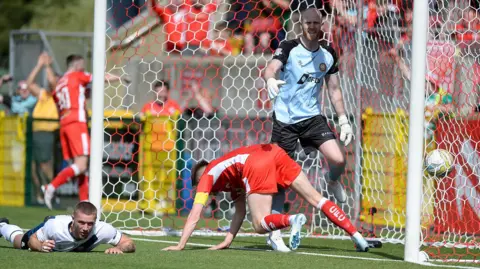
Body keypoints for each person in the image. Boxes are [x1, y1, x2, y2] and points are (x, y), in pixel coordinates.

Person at [162, 144, 369, 252]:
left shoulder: (208, 175)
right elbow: (240, 211)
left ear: (199, 182)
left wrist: (181, 245)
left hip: (256, 163)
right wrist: (227, 240)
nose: (203, 193)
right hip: (274, 153)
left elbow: (195, 215)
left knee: (260, 225)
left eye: (200, 188)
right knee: (317, 198)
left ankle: (291, 220)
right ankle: (356, 236)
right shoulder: (229, 179)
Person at [262, 8, 353, 251]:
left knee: (338, 159)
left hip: (312, 118)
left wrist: (343, 119)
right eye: (308, 22)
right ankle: (274, 232)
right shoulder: (289, 47)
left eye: (316, 22)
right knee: (280, 180)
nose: (312, 26)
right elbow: (270, 68)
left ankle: (331, 181)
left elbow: (334, 90)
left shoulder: (328, 53)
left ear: (322, 24)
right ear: (301, 24)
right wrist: (270, 79)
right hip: (285, 121)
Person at [43, 54, 125, 209]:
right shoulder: (77, 75)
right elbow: (101, 77)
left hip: (65, 123)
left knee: (81, 167)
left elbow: (56, 95)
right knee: (81, 165)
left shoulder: (60, 82)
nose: (84, 68)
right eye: (82, 65)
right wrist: (120, 78)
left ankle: (84, 203)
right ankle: (51, 187)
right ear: (76, 65)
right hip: (77, 121)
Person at [0, 201, 135, 254]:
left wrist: (118, 248)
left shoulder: (103, 229)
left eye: (90, 224)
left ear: (95, 221)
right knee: (21, 242)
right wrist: (40, 246)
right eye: (81, 222)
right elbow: (32, 240)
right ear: (73, 219)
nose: (86, 228)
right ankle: (2, 225)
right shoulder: (55, 227)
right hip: (49, 225)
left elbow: (129, 243)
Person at [25, 52, 59, 204]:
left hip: (46, 132)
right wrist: (39, 65)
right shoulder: (44, 94)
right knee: (33, 165)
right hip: (34, 131)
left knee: (45, 164)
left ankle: (52, 192)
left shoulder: (57, 95)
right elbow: (29, 83)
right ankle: (39, 194)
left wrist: (47, 65)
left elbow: (52, 82)